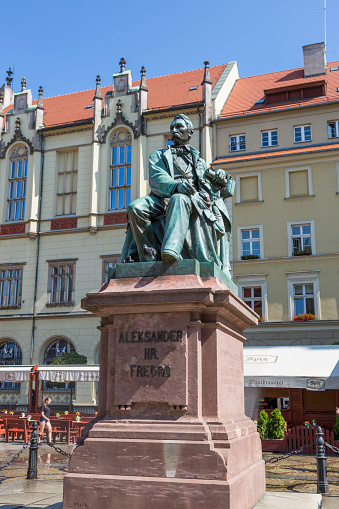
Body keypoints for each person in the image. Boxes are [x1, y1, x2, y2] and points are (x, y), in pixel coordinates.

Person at [120, 114, 235, 275]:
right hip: (160, 198)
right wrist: (177, 186)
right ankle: (149, 254)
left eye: (179, 127)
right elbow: (156, 179)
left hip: (189, 199)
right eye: (172, 128)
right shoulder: (158, 155)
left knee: (179, 199)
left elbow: (212, 183)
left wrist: (222, 175)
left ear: (190, 131)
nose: (174, 130)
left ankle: (171, 250)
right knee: (135, 207)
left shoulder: (199, 161)